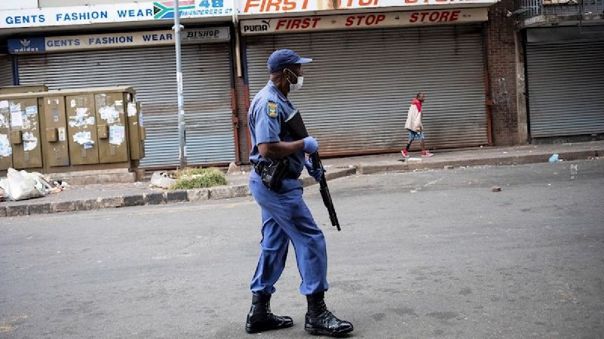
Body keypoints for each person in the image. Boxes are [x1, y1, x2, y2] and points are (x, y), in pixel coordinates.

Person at [245, 49, 354, 337]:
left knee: (273, 244)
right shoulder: (269, 101)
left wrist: (303, 161)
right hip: (277, 188)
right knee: (310, 238)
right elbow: (267, 147)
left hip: (272, 182)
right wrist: (303, 145)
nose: (302, 74)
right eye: (298, 69)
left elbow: (280, 142)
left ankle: (259, 312)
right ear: (285, 73)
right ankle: (317, 313)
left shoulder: (277, 99)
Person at [401, 92, 433, 158]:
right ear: (418, 97)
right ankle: (424, 153)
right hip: (415, 125)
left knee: (411, 138)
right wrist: (418, 126)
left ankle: (405, 151)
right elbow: (417, 117)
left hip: (412, 125)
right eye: (422, 97)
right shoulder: (417, 104)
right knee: (421, 138)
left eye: (424, 96)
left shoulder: (415, 103)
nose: (424, 98)